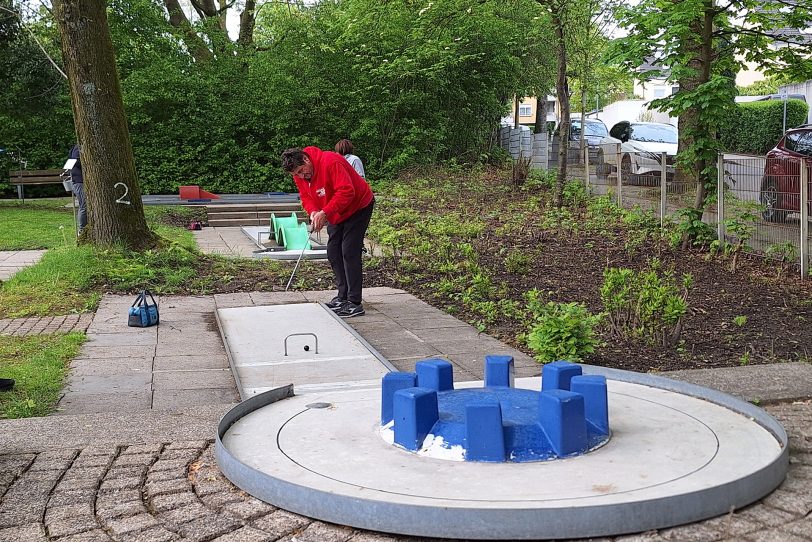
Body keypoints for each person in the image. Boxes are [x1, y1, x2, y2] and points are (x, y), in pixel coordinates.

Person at [281, 146, 374, 318]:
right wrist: (314, 212)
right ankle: (342, 296)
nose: (301, 176)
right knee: (333, 252)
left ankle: (354, 302)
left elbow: (347, 191)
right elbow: (306, 197)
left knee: (349, 251)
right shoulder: (299, 175)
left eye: (302, 171)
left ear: (306, 160)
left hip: (358, 206)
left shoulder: (331, 161)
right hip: (335, 212)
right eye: (296, 175)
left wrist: (325, 212)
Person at [69, 143, 87, 233]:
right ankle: (82, 230)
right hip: (78, 181)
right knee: (84, 205)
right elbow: (75, 160)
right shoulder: (78, 147)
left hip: (80, 180)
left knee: (84, 205)